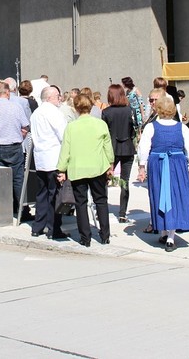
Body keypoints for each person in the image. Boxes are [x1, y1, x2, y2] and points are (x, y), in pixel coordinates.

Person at [137, 95, 189, 251]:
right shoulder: (181, 127)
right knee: (175, 196)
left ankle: (167, 234)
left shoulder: (151, 127)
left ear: (158, 109)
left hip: (158, 163)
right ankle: (168, 235)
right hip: (177, 164)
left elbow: (143, 148)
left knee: (160, 195)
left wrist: (142, 167)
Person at [56, 93, 114, 247]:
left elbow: (65, 150)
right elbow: (108, 147)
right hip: (97, 167)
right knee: (101, 200)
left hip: (78, 168)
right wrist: (110, 163)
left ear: (75, 108)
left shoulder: (71, 127)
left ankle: (85, 237)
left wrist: (61, 169)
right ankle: (105, 235)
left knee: (81, 203)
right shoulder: (100, 124)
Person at [0, 81, 30, 215]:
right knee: (18, 178)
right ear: (8, 92)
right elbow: (25, 126)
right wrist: (21, 136)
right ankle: (21, 210)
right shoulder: (16, 107)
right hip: (14, 145)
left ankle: (3, 210)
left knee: (0, 180)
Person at [30, 85, 69, 239]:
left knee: (42, 194)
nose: (60, 98)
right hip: (53, 158)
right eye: (58, 96)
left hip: (40, 158)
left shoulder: (36, 113)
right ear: (50, 97)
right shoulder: (53, 112)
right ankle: (54, 229)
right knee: (55, 195)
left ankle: (37, 227)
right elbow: (63, 134)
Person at [101, 84, 135, 224]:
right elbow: (133, 129)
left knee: (105, 179)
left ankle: (102, 210)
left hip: (111, 148)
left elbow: (104, 132)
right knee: (125, 181)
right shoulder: (129, 110)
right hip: (127, 147)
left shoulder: (106, 112)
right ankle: (122, 213)